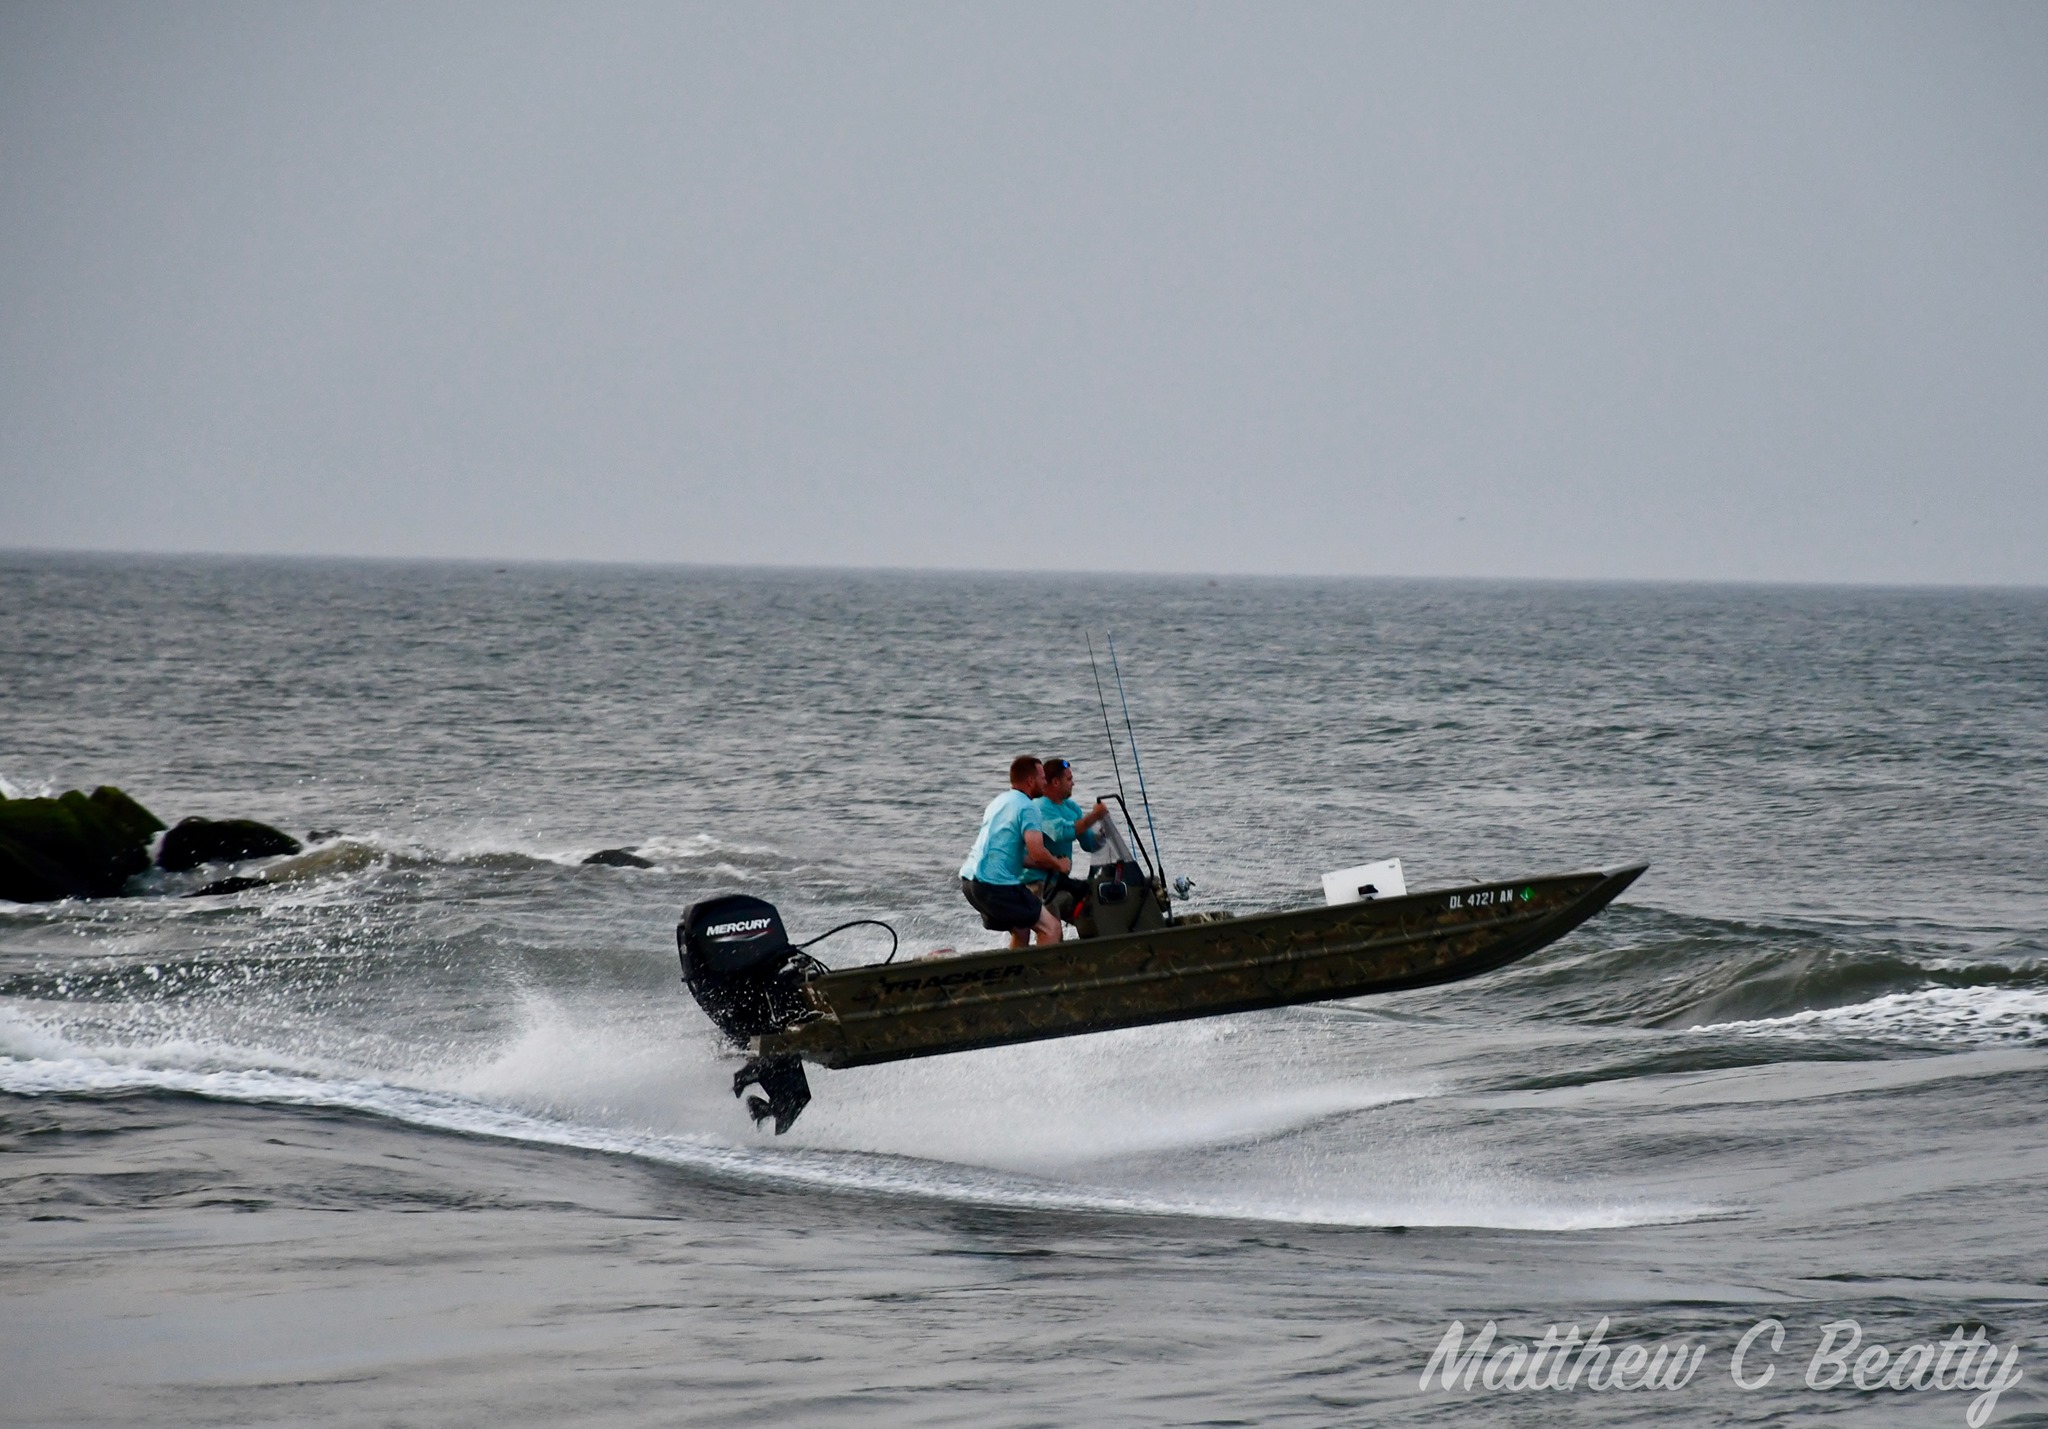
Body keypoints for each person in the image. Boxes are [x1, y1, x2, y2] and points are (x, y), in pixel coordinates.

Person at [958, 756, 1065, 948]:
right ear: (1030, 781)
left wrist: (1048, 862)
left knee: (1021, 928)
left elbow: (1010, 854)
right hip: (995, 886)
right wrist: (1059, 865)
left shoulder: (999, 802)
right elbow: (1038, 853)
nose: (1045, 781)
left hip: (970, 884)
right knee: (1051, 928)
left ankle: (1015, 974)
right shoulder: (1028, 807)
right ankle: (1042, 977)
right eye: (1042, 777)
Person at [1022, 757, 1109, 928]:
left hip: (1059, 883)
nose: (1073, 783)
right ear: (1055, 782)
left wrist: (1103, 836)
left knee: (1093, 914)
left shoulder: (1072, 808)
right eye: (1069, 779)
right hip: (1036, 884)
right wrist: (1093, 817)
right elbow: (1061, 833)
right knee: (1052, 932)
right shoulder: (1040, 806)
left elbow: (1088, 844)